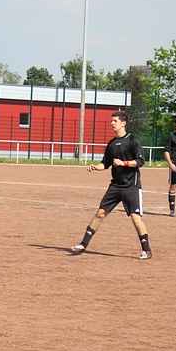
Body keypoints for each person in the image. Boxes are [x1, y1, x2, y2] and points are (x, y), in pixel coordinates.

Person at [71, 110, 152, 260]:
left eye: (115, 121)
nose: (112, 123)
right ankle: (83, 244)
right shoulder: (112, 144)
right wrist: (96, 167)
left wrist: (124, 163)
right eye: (111, 121)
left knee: (135, 217)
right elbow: (105, 164)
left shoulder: (133, 140)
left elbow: (140, 161)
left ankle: (146, 250)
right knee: (100, 213)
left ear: (123, 123)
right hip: (115, 186)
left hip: (131, 186)